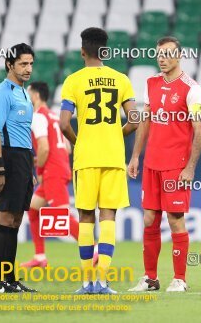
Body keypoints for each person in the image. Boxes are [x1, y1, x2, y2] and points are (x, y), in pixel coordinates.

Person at [59, 27, 138, 294]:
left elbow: (63, 123)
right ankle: (103, 282)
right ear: (105, 51)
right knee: (108, 218)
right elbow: (135, 120)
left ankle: (86, 283)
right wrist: (118, 133)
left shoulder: (73, 81)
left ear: (82, 51)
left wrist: (78, 141)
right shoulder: (121, 79)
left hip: (86, 158)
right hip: (114, 158)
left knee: (85, 217)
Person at [127, 36, 201, 292]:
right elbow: (145, 121)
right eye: (159, 54)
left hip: (176, 165)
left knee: (175, 220)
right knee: (149, 219)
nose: (162, 59)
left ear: (179, 56)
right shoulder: (150, 84)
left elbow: (200, 129)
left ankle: (180, 279)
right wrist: (136, 156)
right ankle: (150, 278)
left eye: (167, 54)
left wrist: (190, 167)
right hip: (152, 163)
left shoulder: (192, 88)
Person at [0, 43, 38, 293]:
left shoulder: (24, 92)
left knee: (16, 219)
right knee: (4, 217)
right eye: (23, 64)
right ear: (10, 65)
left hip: (24, 159)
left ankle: (10, 278)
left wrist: (31, 169)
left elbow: (23, 131)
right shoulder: (3, 92)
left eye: (30, 64)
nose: (28, 69)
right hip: (9, 158)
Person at [20, 81, 84, 268]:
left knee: (62, 216)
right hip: (59, 168)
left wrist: (40, 167)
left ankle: (94, 250)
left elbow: (45, 148)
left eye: (28, 93)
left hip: (52, 172)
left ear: (36, 96)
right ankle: (40, 257)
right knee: (33, 208)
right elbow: (66, 148)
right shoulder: (55, 117)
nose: (26, 96)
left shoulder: (38, 116)